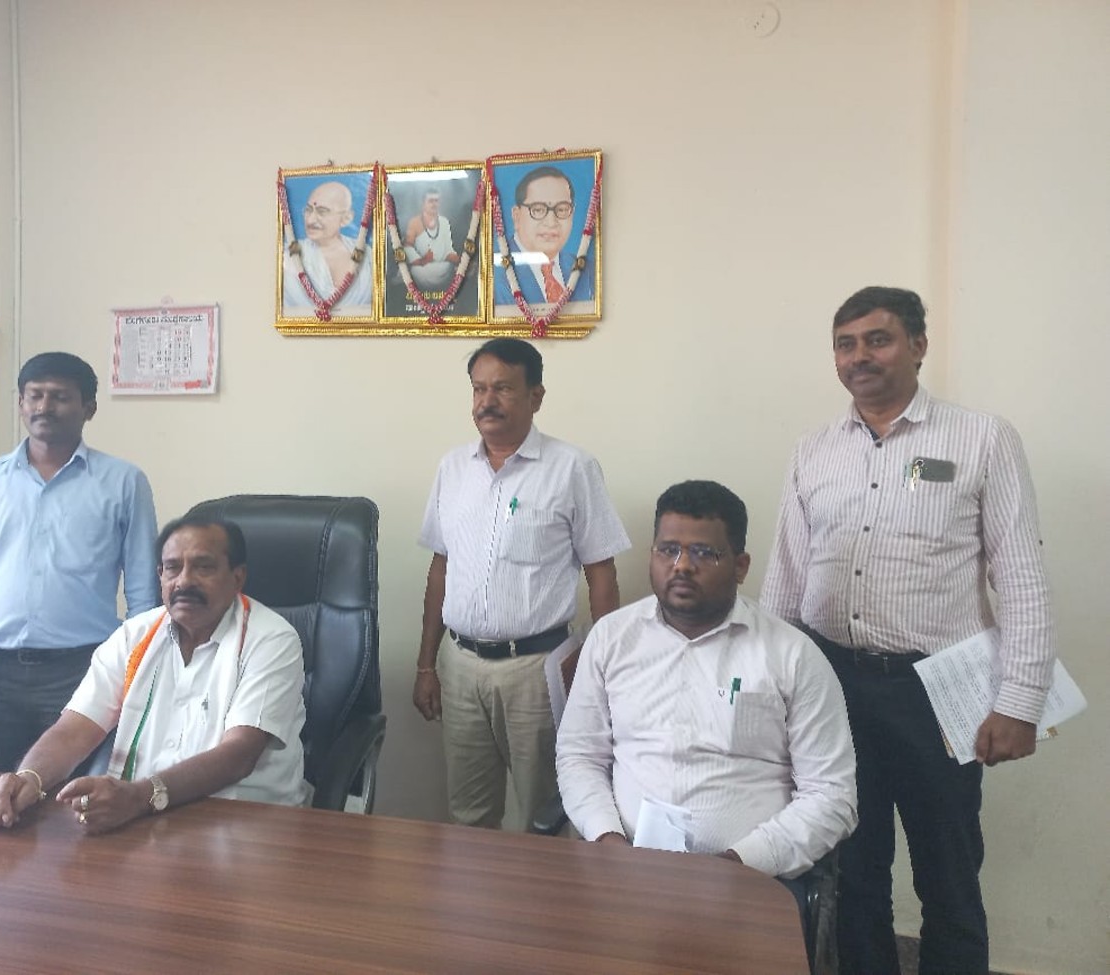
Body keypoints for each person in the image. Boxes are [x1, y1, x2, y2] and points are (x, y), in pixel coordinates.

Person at [760, 286, 1055, 975]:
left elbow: (1021, 577)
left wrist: (1020, 701)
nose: (859, 356)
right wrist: (771, 691)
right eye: (845, 344)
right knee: (853, 866)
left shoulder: (981, 438)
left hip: (937, 690)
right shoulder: (814, 450)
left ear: (918, 346)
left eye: (878, 339)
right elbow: (786, 577)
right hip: (834, 686)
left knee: (947, 870)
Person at [557, 481, 857, 908]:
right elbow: (579, 756)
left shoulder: (792, 655)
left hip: (750, 881)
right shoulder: (612, 638)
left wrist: (739, 863)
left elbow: (832, 795)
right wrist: (608, 840)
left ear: (740, 566)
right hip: (625, 869)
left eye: (703, 553)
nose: (681, 566)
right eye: (668, 550)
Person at [414, 337, 630, 830]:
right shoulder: (452, 469)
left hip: (536, 669)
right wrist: (427, 664)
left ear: (536, 396)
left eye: (503, 389)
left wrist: (603, 672)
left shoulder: (572, 468)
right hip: (460, 666)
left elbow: (601, 574)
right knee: (468, 815)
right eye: (478, 389)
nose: (487, 402)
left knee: (543, 816)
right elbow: (440, 568)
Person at [0, 516, 309, 831]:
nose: (184, 581)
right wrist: (29, 778)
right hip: (142, 820)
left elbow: (239, 754)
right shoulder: (134, 636)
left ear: (237, 577)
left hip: (244, 824)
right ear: (160, 576)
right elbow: (75, 729)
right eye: (172, 568)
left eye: (204, 567)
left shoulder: (271, 639)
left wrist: (140, 796)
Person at [0, 352, 159, 772]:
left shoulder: (124, 482)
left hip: (84, 670)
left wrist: (138, 677)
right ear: (21, 403)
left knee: (75, 794)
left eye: (60, 397)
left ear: (89, 408)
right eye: (35, 395)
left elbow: (144, 595)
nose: (45, 407)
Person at [492, 165, 594, 306]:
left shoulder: (587, 271)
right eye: (538, 210)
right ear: (517, 216)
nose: (551, 222)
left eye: (562, 209)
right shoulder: (494, 274)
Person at [282, 180, 373, 311]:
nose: (310, 220)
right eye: (308, 210)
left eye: (322, 212)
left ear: (346, 218)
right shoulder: (289, 256)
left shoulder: (367, 255)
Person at [402, 187, 459, 289]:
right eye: (430, 201)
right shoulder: (414, 222)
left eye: (436, 201)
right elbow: (407, 247)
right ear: (423, 204)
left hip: (443, 268)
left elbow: (448, 250)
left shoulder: (444, 222)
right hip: (421, 269)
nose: (434, 204)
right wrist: (423, 260)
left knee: (451, 268)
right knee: (416, 271)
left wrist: (460, 261)